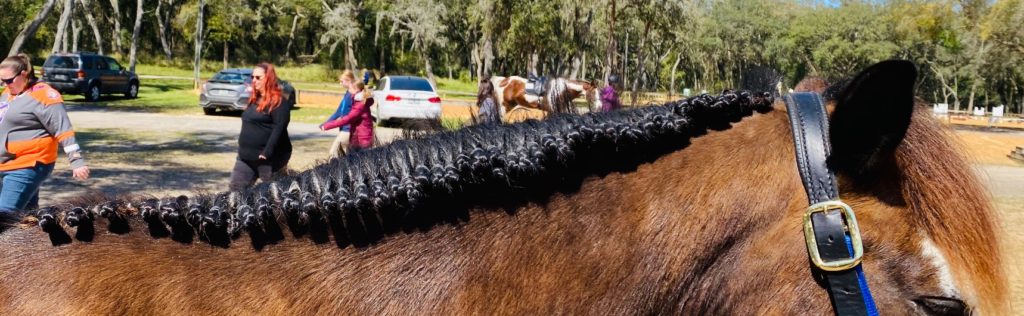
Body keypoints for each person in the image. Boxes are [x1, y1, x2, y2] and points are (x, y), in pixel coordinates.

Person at [0, 54, 89, 212]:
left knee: (5, 217)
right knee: (27, 218)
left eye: (8, 80)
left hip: (29, 164)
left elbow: (63, 128)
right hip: (6, 163)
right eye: (1, 80)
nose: (5, 84)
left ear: (24, 74)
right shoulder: (8, 93)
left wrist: (76, 161)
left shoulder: (44, 95)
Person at [230, 63, 291, 191]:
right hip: (245, 158)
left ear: (268, 78)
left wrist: (267, 151)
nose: (254, 80)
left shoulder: (279, 102)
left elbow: (280, 127)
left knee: (275, 195)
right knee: (235, 194)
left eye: (258, 78)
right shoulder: (254, 99)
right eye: (252, 77)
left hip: (269, 159)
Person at [321, 82, 374, 152]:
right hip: (358, 139)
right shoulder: (358, 101)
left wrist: (327, 126)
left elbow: (347, 119)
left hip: (362, 141)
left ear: (356, 90)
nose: (348, 90)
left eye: (350, 88)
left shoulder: (360, 105)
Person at [322, 70, 356, 157]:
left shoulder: (353, 96)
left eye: (342, 81)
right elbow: (338, 112)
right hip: (344, 130)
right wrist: (326, 123)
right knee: (347, 156)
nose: (340, 83)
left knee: (333, 154)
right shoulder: (347, 94)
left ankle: (331, 170)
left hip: (348, 130)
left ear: (349, 81)